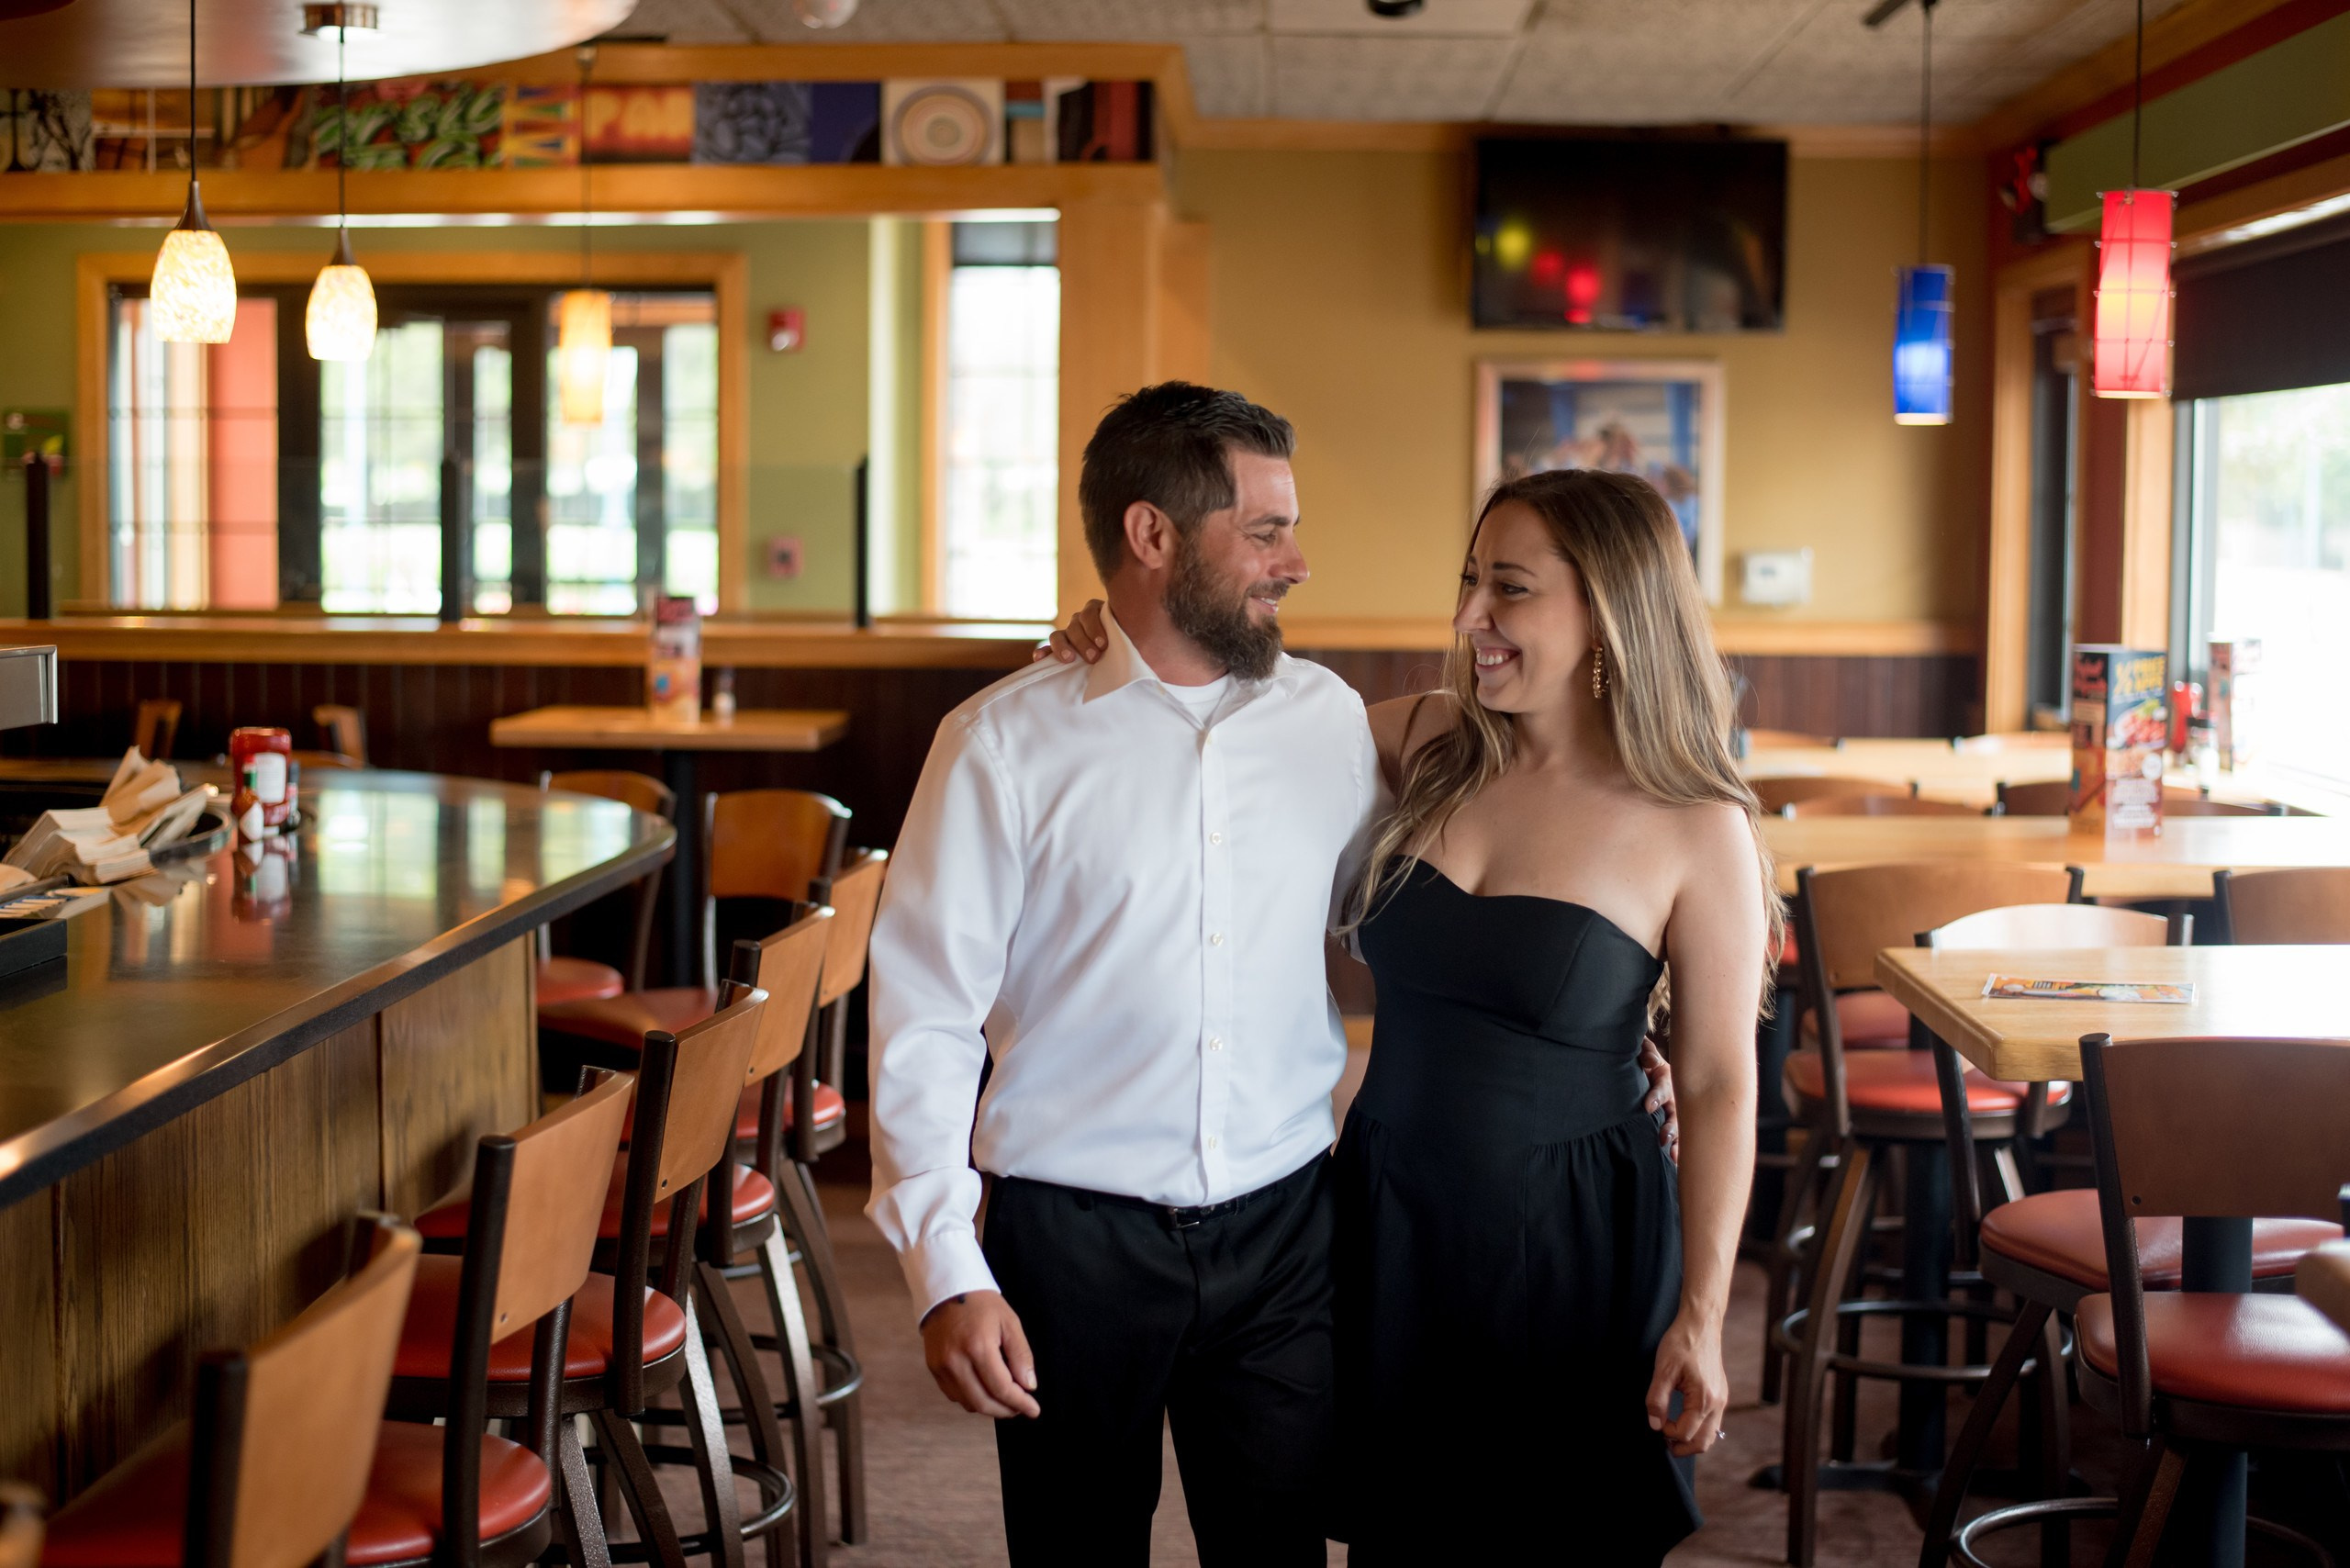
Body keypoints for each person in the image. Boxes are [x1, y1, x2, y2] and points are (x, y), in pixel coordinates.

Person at [1046, 465, 1773, 1563]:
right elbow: (1225, 720)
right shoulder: (1424, 738)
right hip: (1386, 1210)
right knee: (1397, 1533)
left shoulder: (1693, 822)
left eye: (1511, 589)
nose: (1470, 616)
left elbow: (1720, 1082)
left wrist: (1704, 1318)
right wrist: (1120, 639)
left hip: (1576, 1236)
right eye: (1471, 580)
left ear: (1611, 609)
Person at [866, 382, 1371, 1564]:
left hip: (1289, 1226)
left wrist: (1616, 1031)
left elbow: (1400, 919)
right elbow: (924, 1019)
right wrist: (945, 1267)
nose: (1294, 561)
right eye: (1263, 531)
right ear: (1152, 536)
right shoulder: (1000, 743)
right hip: (1068, 1246)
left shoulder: (1329, 721)